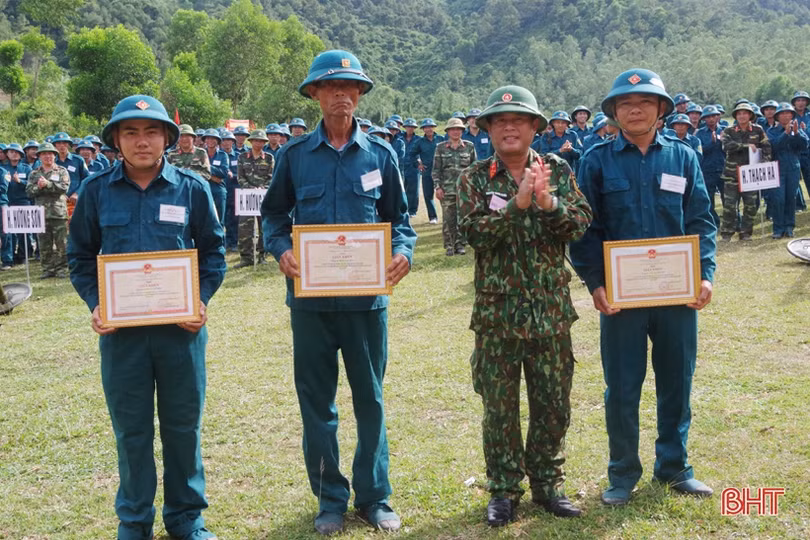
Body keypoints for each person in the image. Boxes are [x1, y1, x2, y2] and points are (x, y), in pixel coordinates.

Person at [261, 49, 416, 536]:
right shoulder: (293, 156)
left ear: (360, 95)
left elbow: (402, 223)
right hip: (310, 304)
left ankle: (374, 497)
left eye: (350, 88)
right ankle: (330, 497)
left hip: (366, 304)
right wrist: (281, 249)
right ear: (314, 95)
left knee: (369, 398)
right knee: (317, 402)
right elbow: (273, 218)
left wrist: (404, 255)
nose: (341, 95)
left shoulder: (381, 155)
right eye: (330, 88)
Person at [67, 94, 225, 540]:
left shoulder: (192, 188)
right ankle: (134, 521)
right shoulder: (97, 191)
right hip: (123, 336)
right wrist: (97, 303)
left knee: (182, 427)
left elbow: (213, 252)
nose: (142, 141)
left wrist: (202, 300)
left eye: (151, 131)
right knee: (131, 430)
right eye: (130, 132)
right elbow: (79, 256)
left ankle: (186, 517)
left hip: (181, 333)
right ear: (116, 139)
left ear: (167, 139)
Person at [570, 68, 717, 506]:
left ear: (660, 111)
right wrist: (595, 282)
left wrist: (705, 274)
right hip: (621, 299)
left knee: (677, 381)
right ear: (614, 112)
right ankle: (622, 474)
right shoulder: (596, 159)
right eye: (626, 104)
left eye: (645, 103)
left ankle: (675, 468)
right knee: (622, 387)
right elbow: (585, 228)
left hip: (677, 295)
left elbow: (700, 220)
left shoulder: (683, 157)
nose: (635, 109)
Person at [457, 85, 592, 526]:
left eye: (518, 119)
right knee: (499, 407)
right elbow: (474, 234)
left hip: (550, 312)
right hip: (497, 316)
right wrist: (517, 206)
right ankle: (503, 489)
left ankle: (548, 484)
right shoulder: (474, 177)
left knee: (553, 402)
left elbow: (579, 224)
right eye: (499, 120)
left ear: (535, 126)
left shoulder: (557, 168)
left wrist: (548, 202)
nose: (509, 126)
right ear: (489, 130)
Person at [719, 102, 771, 241]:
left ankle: (746, 232)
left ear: (750, 115)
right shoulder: (729, 130)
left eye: (745, 113)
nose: (742, 116)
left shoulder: (758, 130)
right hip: (732, 174)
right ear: (736, 116)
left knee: (750, 205)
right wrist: (746, 146)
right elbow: (726, 146)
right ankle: (727, 233)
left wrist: (765, 163)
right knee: (730, 206)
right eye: (739, 113)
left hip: (751, 174)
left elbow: (766, 146)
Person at [25, 142, 70, 278]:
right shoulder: (34, 174)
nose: (47, 156)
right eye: (44, 154)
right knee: (44, 244)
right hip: (41, 214)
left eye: (50, 154)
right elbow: (29, 192)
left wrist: (48, 184)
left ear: (55, 156)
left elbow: (64, 187)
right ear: (39, 157)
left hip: (58, 213)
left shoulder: (61, 171)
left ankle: (62, 268)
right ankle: (47, 269)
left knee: (62, 243)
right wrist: (39, 187)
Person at [433, 117, 475, 256]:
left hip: (464, 190)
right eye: (453, 129)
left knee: (462, 217)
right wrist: (437, 187)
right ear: (448, 131)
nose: (456, 132)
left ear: (462, 131)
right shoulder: (440, 148)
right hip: (447, 190)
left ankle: (460, 244)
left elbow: (474, 169)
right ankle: (449, 245)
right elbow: (436, 170)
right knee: (448, 219)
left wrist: (472, 188)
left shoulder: (469, 147)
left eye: (459, 129)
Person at [233, 129, 273, 269]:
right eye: (256, 140)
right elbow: (240, 177)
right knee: (245, 228)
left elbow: (271, 177)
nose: (258, 143)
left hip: (263, 197)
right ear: (250, 142)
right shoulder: (242, 157)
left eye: (261, 141)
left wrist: (263, 187)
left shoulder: (268, 158)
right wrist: (249, 187)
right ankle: (246, 257)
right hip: (247, 196)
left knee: (263, 226)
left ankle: (262, 255)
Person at [767, 103, 808, 238]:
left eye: (788, 113)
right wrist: (785, 133)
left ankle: (789, 227)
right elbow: (774, 147)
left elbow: (804, 145)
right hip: (777, 168)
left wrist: (796, 133)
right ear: (778, 117)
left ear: (792, 115)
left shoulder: (796, 129)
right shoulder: (771, 131)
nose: (785, 116)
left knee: (791, 198)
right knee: (778, 199)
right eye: (782, 114)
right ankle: (778, 228)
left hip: (793, 168)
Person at [3, 143, 34, 265]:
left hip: (23, 202)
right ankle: (11, 256)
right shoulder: (3, 168)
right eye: (11, 152)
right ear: (7, 154)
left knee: (24, 231)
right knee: (9, 232)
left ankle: (24, 255)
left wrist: (20, 181)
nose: (14, 154)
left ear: (21, 154)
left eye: (16, 152)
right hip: (8, 202)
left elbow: (32, 183)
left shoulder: (26, 168)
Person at [695, 105, 726, 224]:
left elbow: (730, 149)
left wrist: (724, 142)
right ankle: (714, 222)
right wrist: (712, 143)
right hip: (707, 170)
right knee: (709, 199)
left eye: (714, 116)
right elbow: (700, 150)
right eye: (708, 117)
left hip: (724, 168)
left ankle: (733, 223)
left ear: (718, 117)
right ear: (704, 119)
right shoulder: (700, 133)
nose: (711, 119)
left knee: (728, 199)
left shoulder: (724, 130)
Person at [409, 118, 444, 223]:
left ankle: (447, 217)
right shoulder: (419, 142)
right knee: (428, 196)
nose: (428, 129)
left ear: (434, 128)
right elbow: (411, 154)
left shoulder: (441, 139)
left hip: (441, 171)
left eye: (430, 127)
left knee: (444, 195)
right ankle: (433, 217)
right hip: (427, 172)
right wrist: (418, 164)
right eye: (426, 128)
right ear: (423, 129)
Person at [201, 129, 229, 224]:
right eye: (208, 138)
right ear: (205, 140)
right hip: (203, 188)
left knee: (219, 220)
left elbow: (224, 173)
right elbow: (196, 171)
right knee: (203, 219)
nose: (210, 141)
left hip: (218, 190)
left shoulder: (223, 155)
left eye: (213, 139)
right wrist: (212, 177)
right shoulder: (200, 153)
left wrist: (206, 166)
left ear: (217, 141)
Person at [402, 117, 421, 216]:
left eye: (412, 127)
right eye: (408, 127)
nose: (410, 128)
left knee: (413, 190)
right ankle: (402, 210)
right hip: (401, 167)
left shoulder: (418, 139)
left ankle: (412, 210)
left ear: (414, 128)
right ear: (405, 127)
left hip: (414, 167)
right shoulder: (399, 138)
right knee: (401, 189)